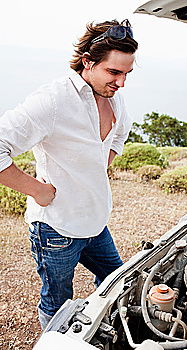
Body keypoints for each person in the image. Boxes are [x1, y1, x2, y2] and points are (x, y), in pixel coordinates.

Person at [0, 19, 138, 329]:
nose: (121, 82)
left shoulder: (113, 94)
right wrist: (37, 190)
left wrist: (99, 164)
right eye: (114, 72)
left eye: (127, 74)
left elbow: (119, 133)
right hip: (57, 228)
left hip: (95, 222)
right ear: (88, 62)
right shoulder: (52, 100)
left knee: (118, 283)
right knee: (59, 302)